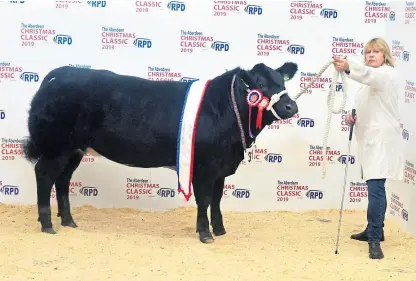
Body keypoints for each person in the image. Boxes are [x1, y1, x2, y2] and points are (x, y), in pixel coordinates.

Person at [332, 37, 404, 260]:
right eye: (368, 52)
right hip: (371, 139)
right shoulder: (369, 82)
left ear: (385, 55)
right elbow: (369, 104)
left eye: (376, 51)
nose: (371, 55)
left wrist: (347, 66)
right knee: (375, 185)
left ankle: (374, 238)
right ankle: (375, 230)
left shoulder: (386, 74)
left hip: (382, 139)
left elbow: (368, 74)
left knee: (375, 187)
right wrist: (354, 117)